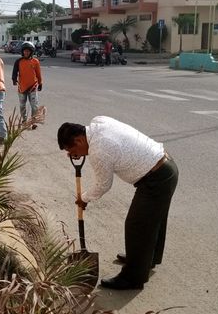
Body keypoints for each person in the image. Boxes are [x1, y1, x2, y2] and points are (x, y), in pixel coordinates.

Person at [57, 118, 178, 290]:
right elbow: (102, 147)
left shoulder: (99, 150)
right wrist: (80, 151)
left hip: (157, 177)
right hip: (166, 166)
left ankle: (132, 279)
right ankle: (146, 259)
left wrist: (84, 198)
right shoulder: (98, 122)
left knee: (137, 224)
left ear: (79, 140)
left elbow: (103, 185)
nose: (73, 154)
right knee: (152, 220)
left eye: (72, 150)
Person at [12, 42, 42, 128]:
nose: (26, 52)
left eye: (28, 51)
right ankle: (24, 120)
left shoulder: (35, 61)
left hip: (33, 86)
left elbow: (38, 74)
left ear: (31, 52)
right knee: (22, 105)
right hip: (22, 87)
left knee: (34, 106)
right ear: (22, 52)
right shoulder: (18, 61)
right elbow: (14, 72)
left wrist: (40, 83)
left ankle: (33, 121)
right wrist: (14, 79)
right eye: (25, 51)